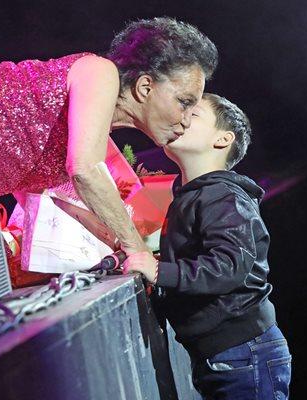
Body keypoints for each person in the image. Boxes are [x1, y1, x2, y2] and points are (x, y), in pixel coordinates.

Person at [0, 17, 217, 257]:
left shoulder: (89, 128)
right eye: (185, 102)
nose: (187, 119)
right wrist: (136, 249)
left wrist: (121, 242)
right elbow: (85, 170)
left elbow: (50, 197)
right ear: (144, 87)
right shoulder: (100, 72)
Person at [123, 93, 292, 399]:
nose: (180, 116)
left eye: (193, 113)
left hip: (244, 352)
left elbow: (228, 266)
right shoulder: (197, 195)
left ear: (223, 139)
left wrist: (160, 271)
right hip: (228, 355)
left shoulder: (223, 196)